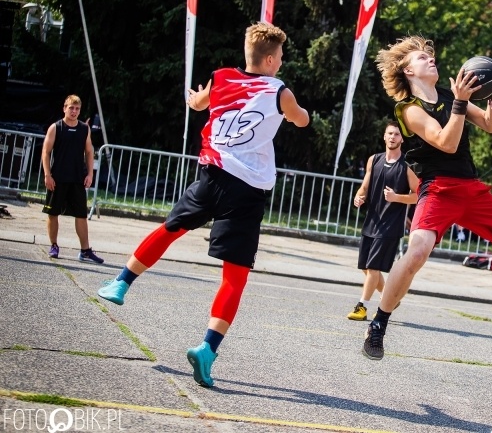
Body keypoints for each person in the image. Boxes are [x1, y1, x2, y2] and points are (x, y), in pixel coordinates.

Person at [97, 23, 309, 387]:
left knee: (170, 229)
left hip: (210, 176)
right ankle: (207, 348)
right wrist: (294, 113)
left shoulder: (221, 77)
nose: (282, 63)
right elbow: (302, 120)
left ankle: (121, 282)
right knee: (235, 275)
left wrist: (197, 100)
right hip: (247, 191)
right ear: (272, 60)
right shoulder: (279, 90)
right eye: (281, 58)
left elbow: (198, 103)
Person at [362, 35, 492, 361]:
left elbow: (491, 126)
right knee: (416, 252)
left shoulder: (449, 94)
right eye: (421, 58)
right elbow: (445, 142)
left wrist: (491, 99)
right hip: (438, 190)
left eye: (430, 56)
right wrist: (460, 103)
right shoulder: (409, 110)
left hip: (470, 188)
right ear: (407, 71)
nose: (430, 59)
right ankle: (378, 324)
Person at [347, 122, 419, 321]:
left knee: (373, 268)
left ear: (402, 139)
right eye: (390, 133)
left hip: (391, 225)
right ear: (384, 136)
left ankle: (362, 306)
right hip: (372, 220)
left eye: (396, 134)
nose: (393, 137)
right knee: (365, 266)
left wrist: (397, 197)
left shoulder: (406, 166)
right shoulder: (374, 160)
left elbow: (418, 194)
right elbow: (364, 187)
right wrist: (359, 197)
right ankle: (390, 296)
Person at [41, 94, 104, 264]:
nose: (74, 111)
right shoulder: (56, 127)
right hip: (58, 177)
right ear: (64, 108)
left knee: (81, 215)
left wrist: (90, 174)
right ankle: (54, 245)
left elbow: (89, 152)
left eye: (77, 109)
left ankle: (85, 250)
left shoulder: (84, 128)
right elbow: (45, 152)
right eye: (71, 108)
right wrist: (47, 175)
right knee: (53, 213)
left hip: (77, 178)